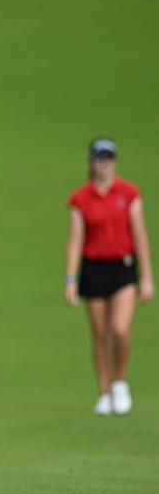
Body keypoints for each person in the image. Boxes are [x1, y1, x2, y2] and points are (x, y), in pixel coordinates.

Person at [65, 137, 153, 415]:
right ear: (91, 163)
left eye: (109, 159)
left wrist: (147, 276)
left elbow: (140, 236)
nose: (105, 164)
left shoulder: (128, 193)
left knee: (120, 329)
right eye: (100, 159)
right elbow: (75, 241)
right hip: (94, 268)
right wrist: (70, 279)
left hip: (123, 267)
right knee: (100, 333)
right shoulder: (81, 199)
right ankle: (104, 392)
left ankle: (119, 381)